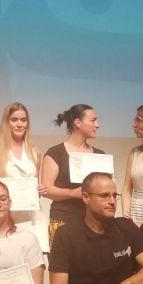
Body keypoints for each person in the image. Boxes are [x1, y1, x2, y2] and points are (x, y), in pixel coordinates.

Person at [0, 102, 48, 248]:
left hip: (33, 218)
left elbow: (37, 187)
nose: (19, 124)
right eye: (14, 120)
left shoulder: (35, 152)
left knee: (36, 258)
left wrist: (40, 190)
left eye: (23, 120)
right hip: (5, 219)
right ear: (6, 123)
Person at [41, 104, 105, 246]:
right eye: (93, 120)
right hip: (64, 219)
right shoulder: (55, 153)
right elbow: (46, 190)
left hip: (94, 222)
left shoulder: (100, 155)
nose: (97, 125)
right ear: (77, 122)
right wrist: (72, 193)